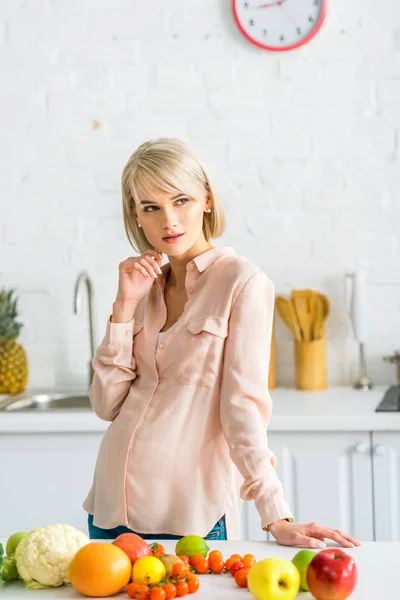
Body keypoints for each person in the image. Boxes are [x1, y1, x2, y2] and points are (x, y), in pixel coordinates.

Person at [83, 137, 360, 549]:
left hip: (185, 518)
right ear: (136, 216)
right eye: (151, 208)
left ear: (207, 200)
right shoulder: (143, 288)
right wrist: (124, 307)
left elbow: (243, 408)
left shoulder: (243, 282)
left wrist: (276, 516)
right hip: (107, 511)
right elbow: (106, 406)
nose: (169, 221)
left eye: (181, 201)